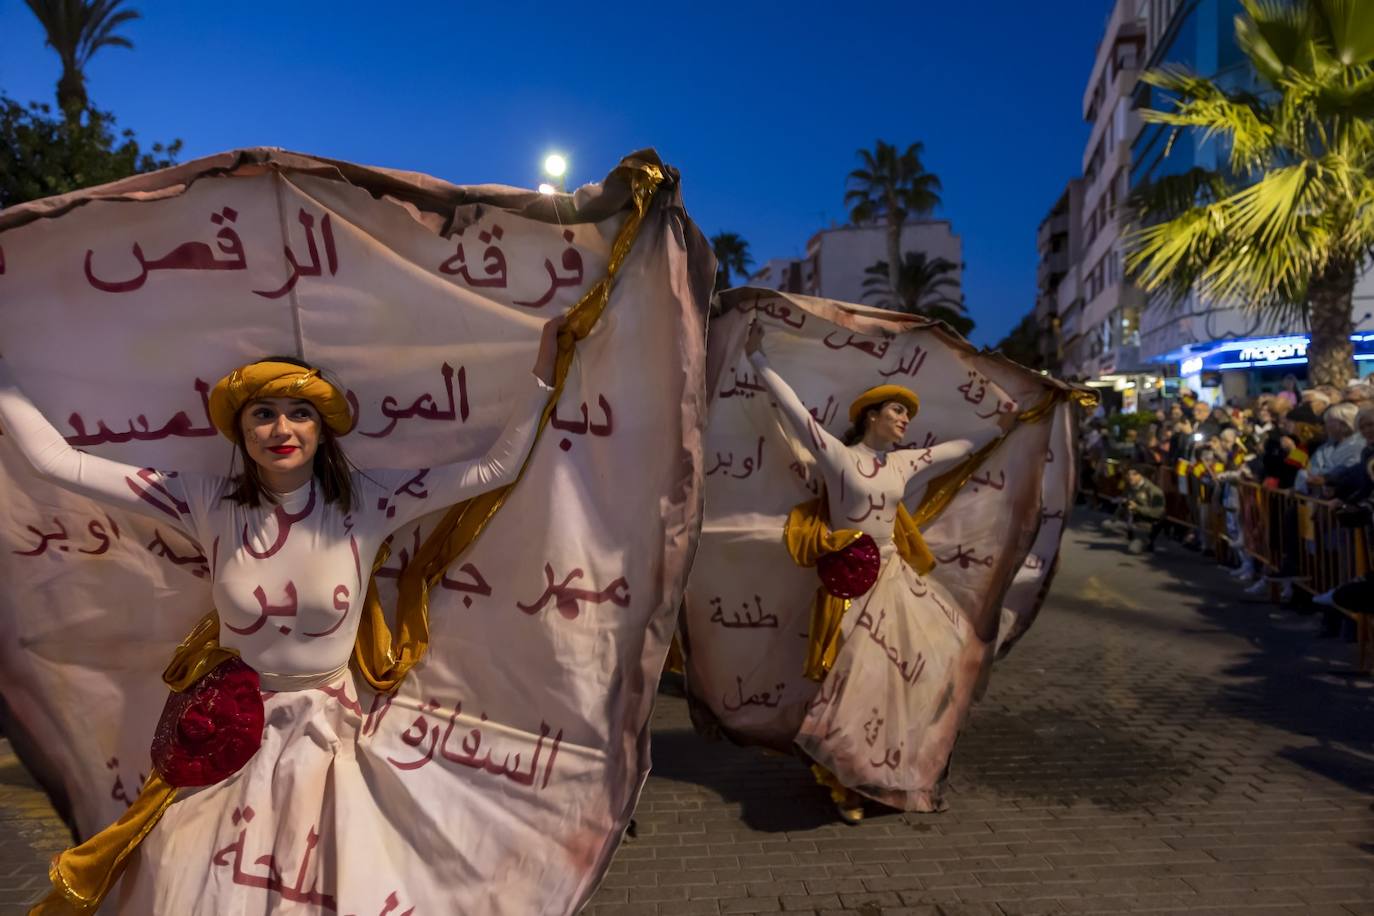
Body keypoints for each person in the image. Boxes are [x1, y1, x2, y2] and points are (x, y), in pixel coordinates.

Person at [0, 318, 561, 913]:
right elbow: (57, 464)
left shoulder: (371, 501)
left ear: (322, 428)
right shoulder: (202, 501)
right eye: (262, 414)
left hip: (335, 737)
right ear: (242, 433)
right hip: (231, 738)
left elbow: (494, 470)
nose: (281, 428)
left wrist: (545, 370)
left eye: (299, 412)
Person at [743, 321, 1012, 823]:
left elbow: (957, 449)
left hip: (896, 580)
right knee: (854, 683)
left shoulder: (902, 465)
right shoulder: (839, 458)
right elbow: (796, 414)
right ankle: (843, 781)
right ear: (871, 416)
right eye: (897, 411)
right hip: (850, 585)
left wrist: (1005, 426)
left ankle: (884, 767)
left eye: (908, 413)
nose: (905, 419)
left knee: (923, 666)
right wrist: (758, 359)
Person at [1116, 466, 1166, 553]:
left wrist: (1137, 508)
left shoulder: (1154, 491)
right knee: (1109, 524)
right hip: (1133, 521)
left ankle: (1146, 541)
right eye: (1129, 474)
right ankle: (1134, 538)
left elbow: (1158, 513)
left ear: (1141, 475)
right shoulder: (1130, 487)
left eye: (1134, 474)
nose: (1130, 477)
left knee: (1133, 550)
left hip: (1146, 524)